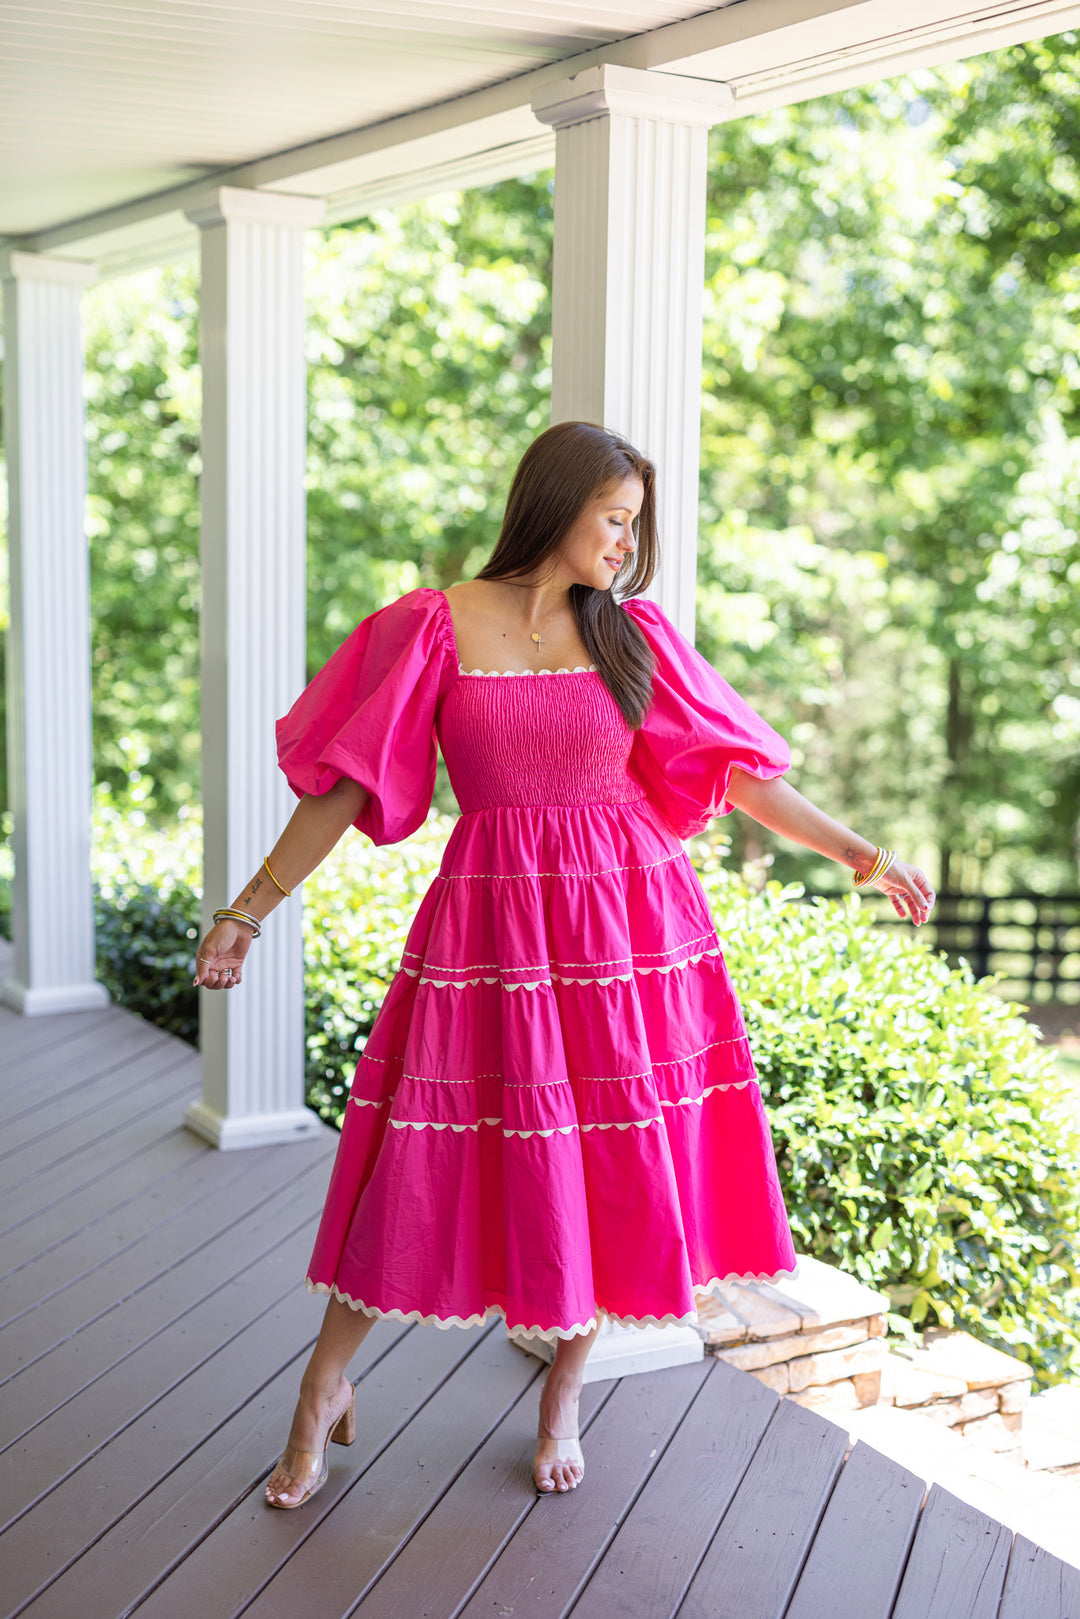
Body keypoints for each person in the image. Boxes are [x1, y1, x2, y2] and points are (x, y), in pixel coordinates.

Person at [193, 420, 935, 1507]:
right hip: (490, 931)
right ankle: (322, 1385)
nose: (629, 544)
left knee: (603, 1160)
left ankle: (563, 1395)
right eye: (615, 518)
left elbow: (738, 775)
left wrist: (862, 854)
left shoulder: (632, 636)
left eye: (637, 525)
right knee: (417, 1154)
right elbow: (346, 785)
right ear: (557, 503)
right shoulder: (434, 626)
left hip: (629, 935)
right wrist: (247, 910)